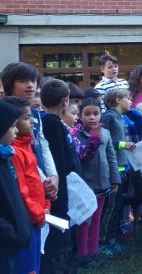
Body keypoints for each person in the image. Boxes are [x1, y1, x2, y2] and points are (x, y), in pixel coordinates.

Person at [0, 62, 59, 202]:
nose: (30, 85)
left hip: (40, 179)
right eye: (23, 81)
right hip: (21, 182)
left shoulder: (35, 113)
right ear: (10, 84)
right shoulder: (5, 113)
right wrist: (44, 181)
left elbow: (43, 144)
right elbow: (14, 150)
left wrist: (53, 175)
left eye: (33, 80)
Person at [6, 96, 48, 274]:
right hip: (28, 220)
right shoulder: (13, 151)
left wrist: (45, 205)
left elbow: (35, 182)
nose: (32, 121)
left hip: (36, 216)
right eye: (26, 118)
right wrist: (38, 214)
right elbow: (21, 190)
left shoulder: (26, 145)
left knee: (34, 266)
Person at [39, 78, 79, 272]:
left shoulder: (51, 122)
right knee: (58, 240)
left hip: (60, 189)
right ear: (65, 101)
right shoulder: (52, 124)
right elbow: (59, 162)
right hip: (58, 193)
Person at [75, 97, 118, 268]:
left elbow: (111, 157)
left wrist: (115, 179)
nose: (92, 118)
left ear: (101, 115)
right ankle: (83, 254)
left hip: (103, 184)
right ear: (80, 115)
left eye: (95, 114)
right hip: (85, 186)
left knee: (97, 219)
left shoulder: (105, 133)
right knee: (85, 220)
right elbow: (80, 158)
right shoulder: (76, 134)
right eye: (87, 114)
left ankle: (94, 251)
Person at [100, 87, 141, 252]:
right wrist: (125, 144)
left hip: (123, 168)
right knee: (110, 208)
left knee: (117, 207)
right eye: (128, 98)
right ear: (117, 100)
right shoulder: (109, 117)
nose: (131, 101)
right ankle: (104, 242)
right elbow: (104, 142)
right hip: (113, 169)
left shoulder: (121, 118)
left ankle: (114, 237)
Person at [0, 100, 32, 274]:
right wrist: (10, 233)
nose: (17, 130)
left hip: (11, 244)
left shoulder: (5, 156)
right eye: (12, 126)